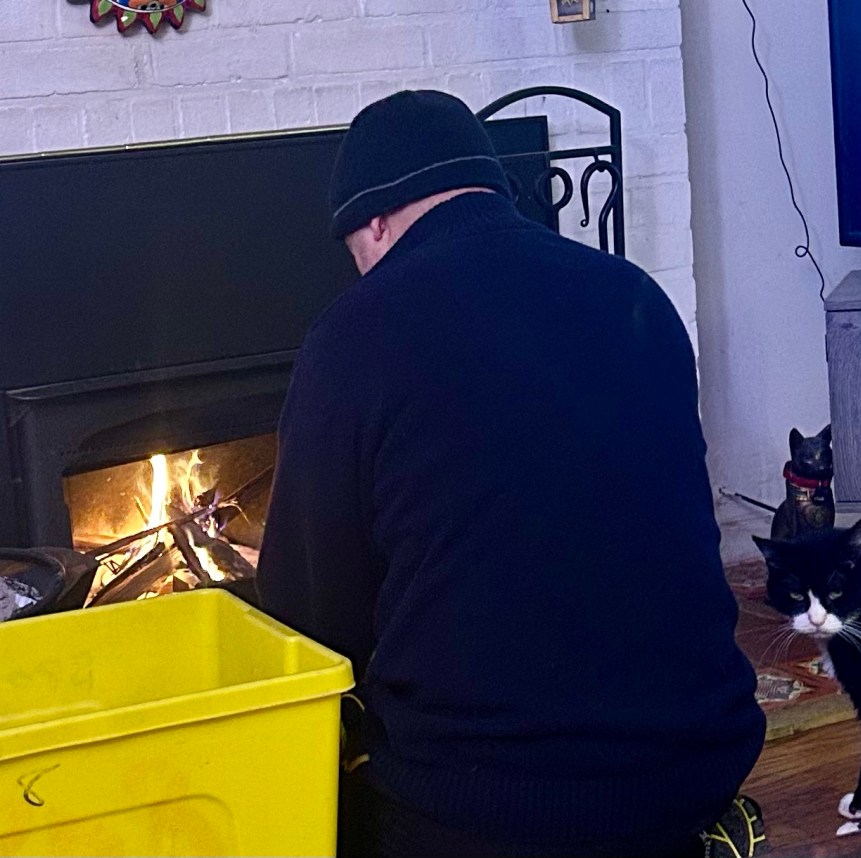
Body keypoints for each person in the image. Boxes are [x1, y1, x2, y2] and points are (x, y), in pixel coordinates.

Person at [257, 90, 766, 858]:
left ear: (375, 221)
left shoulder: (354, 335)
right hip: (695, 765)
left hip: (483, 810)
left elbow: (310, 615)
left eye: (353, 249)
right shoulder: (635, 294)